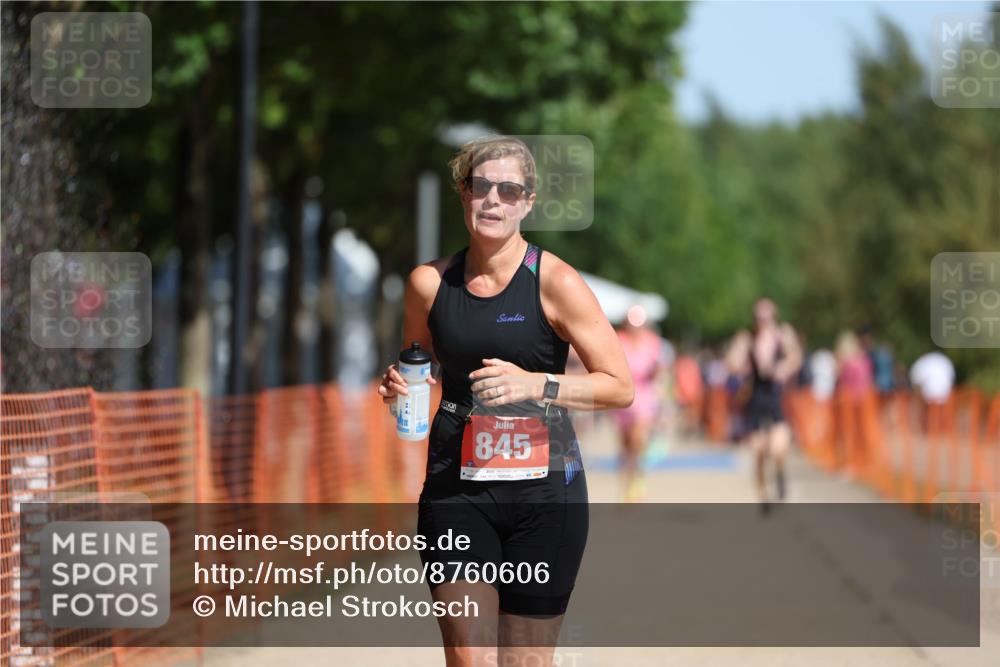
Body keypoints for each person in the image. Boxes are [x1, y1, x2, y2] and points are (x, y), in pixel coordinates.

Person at [377, 136, 633, 667]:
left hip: (545, 500)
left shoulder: (555, 281)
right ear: (463, 193)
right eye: (481, 187)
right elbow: (415, 368)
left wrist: (537, 384)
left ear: (528, 202)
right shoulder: (429, 284)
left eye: (509, 190)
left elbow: (619, 386)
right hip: (456, 491)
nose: (493, 201)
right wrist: (400, 386)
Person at [726, 298, 802, 513]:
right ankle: (763, 496)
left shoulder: (783, 335)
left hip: (776, 398)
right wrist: (739, 363)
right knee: (759, 451)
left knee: (778, 448)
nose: (763, 322)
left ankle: (779, 473)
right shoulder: (747, 339)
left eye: (767, 318)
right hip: (756, 399)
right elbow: (732, 362)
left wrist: (783, 368)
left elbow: (795, 357)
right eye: (759, 318)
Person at [613, 304, 667, 502]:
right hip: (624, 395)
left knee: (638, 441)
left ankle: (638, 482)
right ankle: (626, 485)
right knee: (625, 446)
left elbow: (659, 370)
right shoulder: (620, 340)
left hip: (644, 395)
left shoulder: (652, 342)